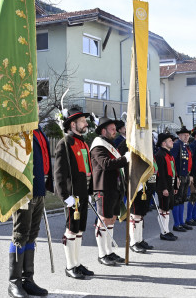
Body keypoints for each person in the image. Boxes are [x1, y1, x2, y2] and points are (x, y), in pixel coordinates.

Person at [8, 96, 54, 298]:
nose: (35, 106)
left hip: (39, 188)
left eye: (36, 103)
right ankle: (13, 283)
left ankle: (28, 279)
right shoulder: (19, 129)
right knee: (20, 234)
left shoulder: (38, 129)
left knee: (32, 234)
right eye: (30, 103)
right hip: (24, 189)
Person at [54, 106, 94, 279]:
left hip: (84, 193)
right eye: (82, 121)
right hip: (73, 196)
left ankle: (77, 263)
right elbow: (59, 173)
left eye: (85, 121)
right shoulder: (65, 143)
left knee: (79, 230)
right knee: (71, 230)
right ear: (72, 124)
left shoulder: (83, 142)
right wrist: (65, 197)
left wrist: (90, 191)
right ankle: (70, 266)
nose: (86, 124)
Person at [90, 108, 130, 265]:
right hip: (103, 187)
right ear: (103, 131)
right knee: (103, 220)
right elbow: (106, 165)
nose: (115, 131)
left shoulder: (110, 144)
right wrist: (125, 159)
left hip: (115, 187)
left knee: (112, 218)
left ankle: (109, 251)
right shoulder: (98, 146)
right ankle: (102, 254)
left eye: (115, 129)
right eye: (112, 129)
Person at [155, 133, 178, 241]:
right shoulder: (160, 155)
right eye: (170, 141)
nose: (172, 142)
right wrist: (164, 188)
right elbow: (161, 174)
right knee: (163, 208)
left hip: (170, 185)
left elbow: (173, 171)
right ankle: (163, 232)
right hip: (163, 186)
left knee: (167, 208)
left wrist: (174, 185)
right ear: (164, 143)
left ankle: (167, 230)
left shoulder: (169, 155)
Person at [170, 124, 193, 232]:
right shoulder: (176, 145)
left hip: (185, 176)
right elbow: (172, 162)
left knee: (182, 199)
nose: (186, 137)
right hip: (179, 177)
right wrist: (176, 177)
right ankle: (176, 224)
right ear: (179, 135)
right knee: (177, 200)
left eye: (187, 135)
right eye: (184, 135)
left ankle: (181, 222)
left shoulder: (185, 146)